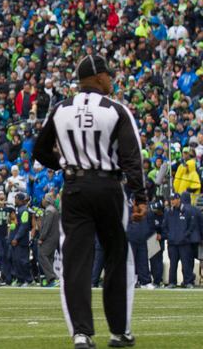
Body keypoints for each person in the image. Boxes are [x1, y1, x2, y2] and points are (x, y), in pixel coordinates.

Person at [33, 54, 146, 349]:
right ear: (98, 78)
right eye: (108, 75)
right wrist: (141, 195)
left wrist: (64, 163)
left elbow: (39, 150)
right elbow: (132, 157)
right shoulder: (116, 110)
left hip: (74, 188)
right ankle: (119, 331)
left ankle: (82, 333)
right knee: (118, 257)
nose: (111, 79)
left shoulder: (60, 109)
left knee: (75, 262)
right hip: (108, 186)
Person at [160, 192, 196, 289]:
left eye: (173, 199)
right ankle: (172, 282)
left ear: (179, 199)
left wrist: (187, 234)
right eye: (171, 199)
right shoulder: (168, 212)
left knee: (186, 264)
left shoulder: (186, 211)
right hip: (172, 243)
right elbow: (164, 226)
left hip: (184, 243)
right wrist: (169, 235)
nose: (172, 201)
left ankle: (188, 282)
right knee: (173, 264)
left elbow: (192, 224)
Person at [38, 192, 60, 287]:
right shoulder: (54, 209)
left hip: (49, 238)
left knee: (42, 254)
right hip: (54, 237)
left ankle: (52, 277)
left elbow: (47, 225)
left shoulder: (49, 210)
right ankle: (51, 281)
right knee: (49, 257)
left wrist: (41, 237)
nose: (42, 201)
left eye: (43, 199)